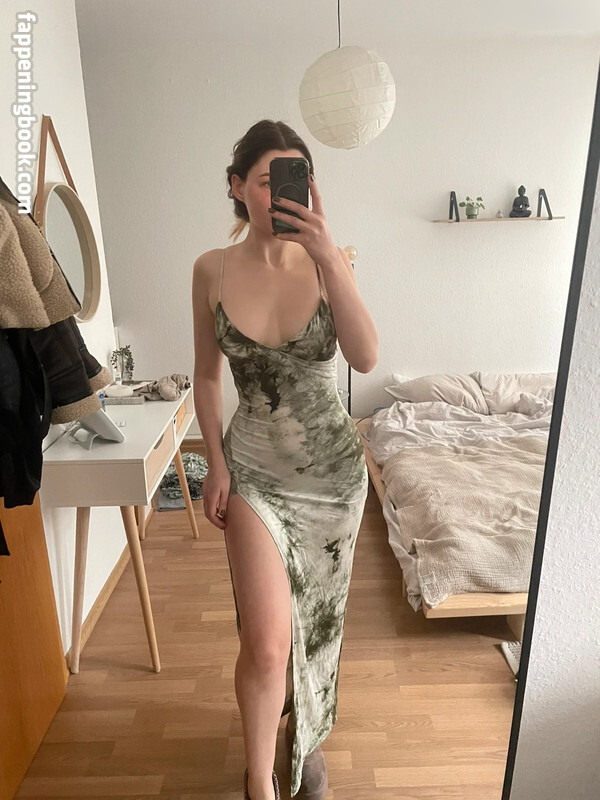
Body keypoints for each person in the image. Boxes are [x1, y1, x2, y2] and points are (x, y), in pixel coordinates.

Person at [191, 119, 378, 800]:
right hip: (254, 473)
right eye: (268, 180)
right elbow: (206, 376)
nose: (281, 194)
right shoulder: (210, 270)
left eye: (295, 178)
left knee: (316, 628)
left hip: (333, 480)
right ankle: (259, 780)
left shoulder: (332, 260)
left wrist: (329, 256)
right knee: (266, 641)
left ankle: (306, 735)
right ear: (238, 187)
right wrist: (214, 464)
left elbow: (365, 357)